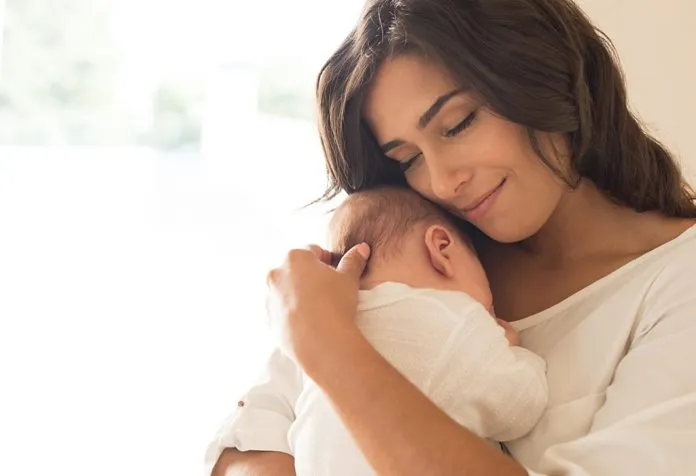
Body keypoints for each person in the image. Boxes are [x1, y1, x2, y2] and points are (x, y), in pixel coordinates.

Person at [212, 0, 696, 474]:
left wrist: (332, 349)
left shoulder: (677, 282)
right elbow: (248, 442)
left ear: (544, 75)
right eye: (408, 159)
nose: (442, 183)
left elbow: (310, 354)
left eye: (457, 124)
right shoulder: (419, 257)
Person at [206, 186, 548, 475]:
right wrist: (513, 352)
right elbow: (520, 407)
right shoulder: (455, 321)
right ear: (442, 248)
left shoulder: (310, 329)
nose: (490, 309)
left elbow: (253, 425)